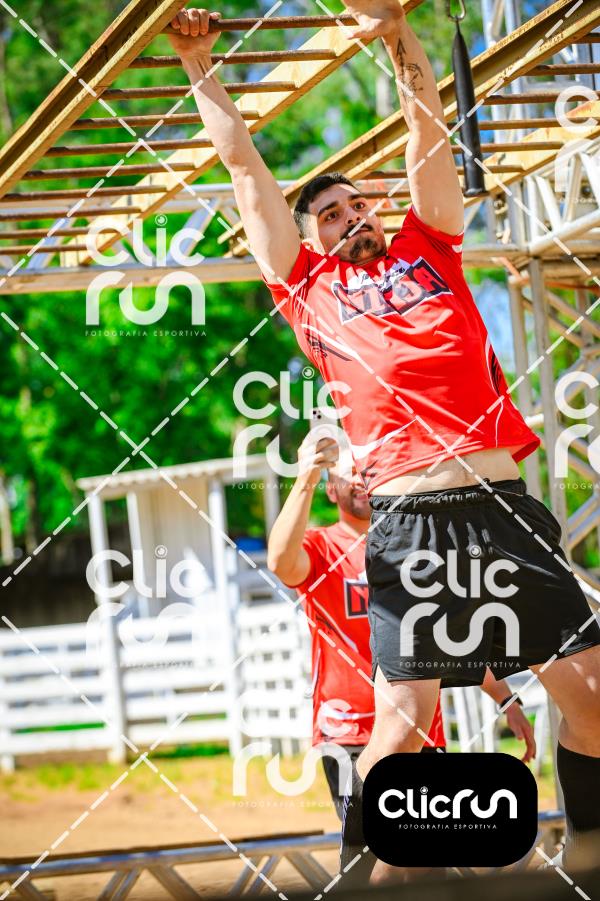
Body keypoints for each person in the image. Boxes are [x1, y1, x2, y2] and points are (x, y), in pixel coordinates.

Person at [168, 0, 600, 883]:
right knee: (399, 729)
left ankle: (589, 855)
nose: (351, 214)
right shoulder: (308, 289)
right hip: (411, 522)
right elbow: (245, 167)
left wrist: (398, 32)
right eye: (331, 213)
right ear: (309, 240)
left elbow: (426, 134)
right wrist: (199, 66)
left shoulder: (429, 250)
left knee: (591, 697)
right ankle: (366, 876)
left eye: (357, 203)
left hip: (501, 505)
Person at [267, 432, 536, 883]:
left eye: (366, 471)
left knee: (424, 864)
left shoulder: (417, 550)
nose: (359, 479)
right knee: (386, 857)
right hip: (351, 733)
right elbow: (279, 562)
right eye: (347, 473)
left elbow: (450, 637)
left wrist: (506, 699)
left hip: (421, 728)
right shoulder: (320, 547)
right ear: (331, 489)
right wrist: (306, 475)